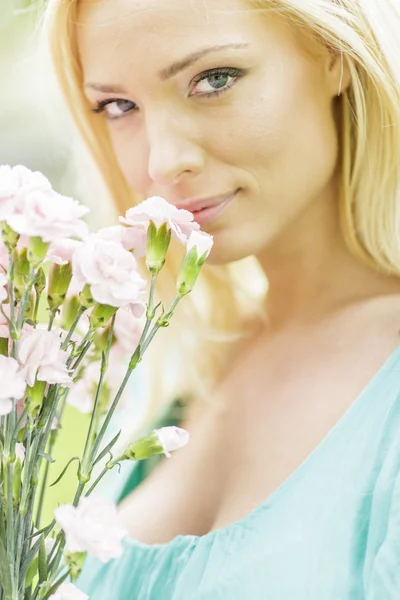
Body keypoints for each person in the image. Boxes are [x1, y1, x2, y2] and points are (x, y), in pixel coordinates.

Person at [44, 0, 400, 597]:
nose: (163, 162)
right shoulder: (173, 378)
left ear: (334, 53)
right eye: (120, 106)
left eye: (213, 80)